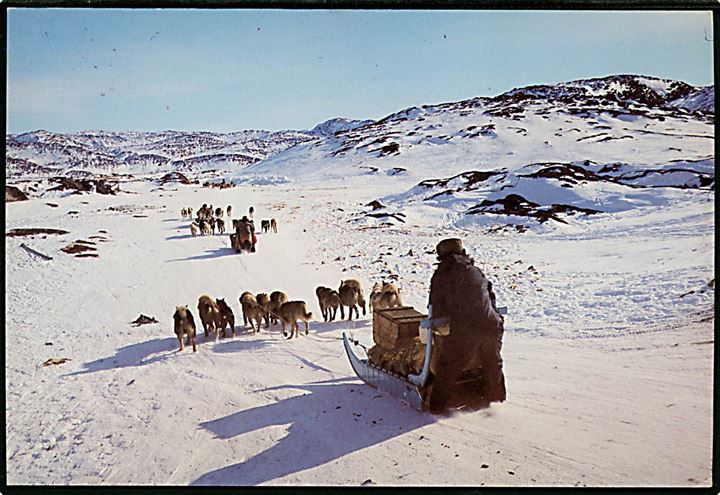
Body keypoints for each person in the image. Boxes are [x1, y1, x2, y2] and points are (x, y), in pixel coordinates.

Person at [426, 238, 506, 413]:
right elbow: (490, 297)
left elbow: (436, 307)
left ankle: (436, 409)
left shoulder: (442, 275)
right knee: (492, 362)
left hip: (466, 328)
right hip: (491, 324)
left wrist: (437, 324)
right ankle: (496, 401)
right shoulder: (476, 271)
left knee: (449, 366)